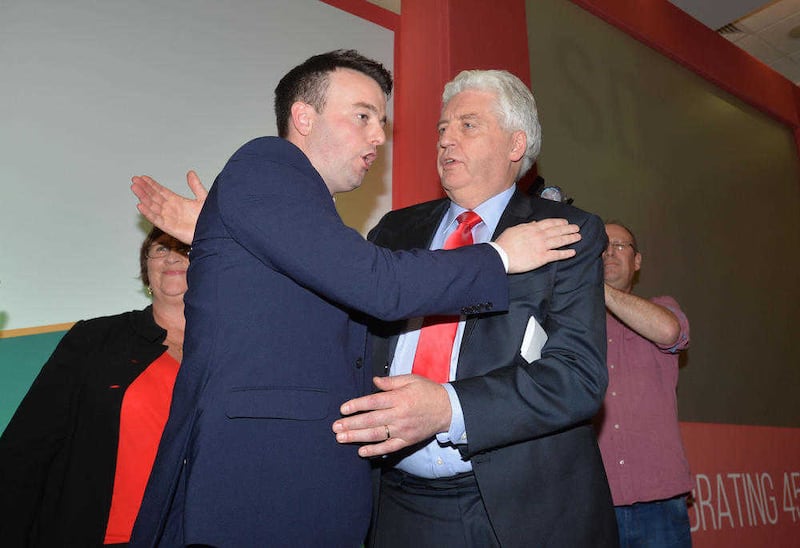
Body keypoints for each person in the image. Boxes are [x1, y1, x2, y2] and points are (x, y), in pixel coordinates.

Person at [129, 50, 582, 547]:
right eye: (363, 116)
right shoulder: (266, 164)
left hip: (312, 488)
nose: (378, 137)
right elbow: (381, 287)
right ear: (303, 117)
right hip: (261, 484)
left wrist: (219, 230)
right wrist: (499, 256)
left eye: (381, 122)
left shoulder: (300, 212)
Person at [329, 70, 618, 547]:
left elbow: (577, 376)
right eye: (442, 129)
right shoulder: (394, 231)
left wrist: (449, 408)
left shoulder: (566, 232)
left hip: (516, 508)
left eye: (468, 125)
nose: (446, 141)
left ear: (515, 145)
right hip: (395, 503)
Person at [0, 227, 189, 546]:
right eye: (159, 249)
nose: (171, 256)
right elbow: (27, 446)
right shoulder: (96, 339)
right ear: (147, 272)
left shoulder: (232, 356)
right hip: (105, 536)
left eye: (186, 250)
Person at [595, 221, 692, 547]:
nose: (609, 251)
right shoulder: (571, 323)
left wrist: (595, 287)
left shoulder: (663, 306)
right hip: (595, 503)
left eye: (619, 245)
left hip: (659, 499)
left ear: (638, 261)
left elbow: (669, 332)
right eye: (602, 246)